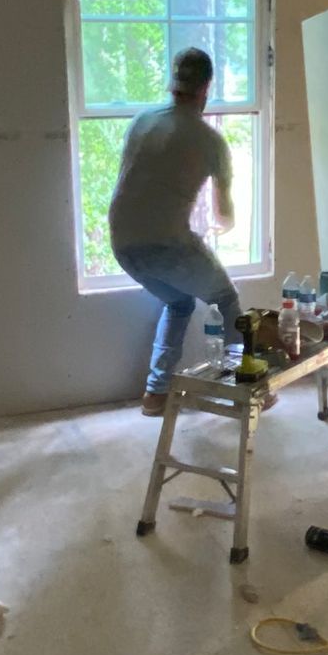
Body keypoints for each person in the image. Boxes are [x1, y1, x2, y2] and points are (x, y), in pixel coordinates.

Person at [109, 46, 240, 414]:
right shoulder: (210, 140)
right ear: (207, 87)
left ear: (173, 82)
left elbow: (142, 185)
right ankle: (247, 383)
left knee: (178, 301)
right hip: (164, 245)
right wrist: (220, 226)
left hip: (123, 243)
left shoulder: (143, 121)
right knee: (226, 299)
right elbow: (224, 216)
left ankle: (156, 393)